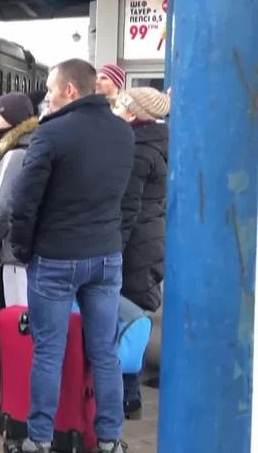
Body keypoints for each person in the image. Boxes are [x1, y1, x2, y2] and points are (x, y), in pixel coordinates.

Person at [9, 59, 134, 453]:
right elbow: (125, 199)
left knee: (48, 351)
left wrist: (24, 249)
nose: (45, 98)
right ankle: (111, 439)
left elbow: (24, 203)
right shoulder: (123, 133)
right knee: (105, 352)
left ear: (70, 91)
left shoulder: (51, 134)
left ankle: (40, 440)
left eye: (49, 90)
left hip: (56, 257)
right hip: (106, 255)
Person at [113, 87, 170, 420]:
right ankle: (128, 395)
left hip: (134, 245)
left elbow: (127, 207)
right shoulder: (161, 141)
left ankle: (127, 395)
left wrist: (112, 253)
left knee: (125, 319)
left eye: (121, 104)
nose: (116, 109)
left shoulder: (136, 149)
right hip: (150, 239)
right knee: (133, 317)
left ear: (133, 112)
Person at [0, 93, 38, 306]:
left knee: (19, 321)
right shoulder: (37, 147)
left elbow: (3, 208)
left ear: (13, 120)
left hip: (15, 253)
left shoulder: (15, 156)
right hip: (36, 249)